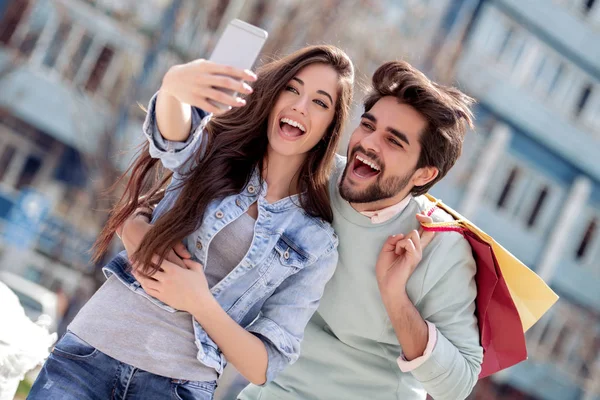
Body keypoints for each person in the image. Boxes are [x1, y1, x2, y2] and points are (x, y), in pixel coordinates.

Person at [27, 44, 355, 400]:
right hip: (90, 355)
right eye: (292, 88)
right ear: (274, 96)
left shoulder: (316, 242)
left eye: (320, 103)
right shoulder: (213, 151)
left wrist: (199, 301)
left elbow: (262, 366)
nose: (299, 106)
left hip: (178, 387)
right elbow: (171, 138)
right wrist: (174, 87)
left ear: (329, 127)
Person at [239, 61, 484, 400]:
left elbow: (458, 385)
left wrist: (396, 299)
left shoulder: (440, 245)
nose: (369, 143)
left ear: (423, 175)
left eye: (393, 142)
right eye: (367, 126)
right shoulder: (312, 178)